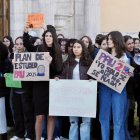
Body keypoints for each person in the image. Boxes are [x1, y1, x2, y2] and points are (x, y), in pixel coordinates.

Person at [23, 23, 63, 140]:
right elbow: (27, 45)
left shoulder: (57, 51)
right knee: (39, 116)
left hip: (52, 85)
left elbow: (59, 69)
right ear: (43, 37)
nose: (48, 38)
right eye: (46, 36)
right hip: (39, 86)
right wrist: (25, 32)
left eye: (50, 36)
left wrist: (50, 64)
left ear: (54, 37)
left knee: (51, 116)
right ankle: (38, 138)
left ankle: (49, 138)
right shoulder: (39, 48)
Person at [56, 40, 93, 140]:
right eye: (74, 47)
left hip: (86, 95)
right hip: (72, 96)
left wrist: (91, 80)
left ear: (83, 49)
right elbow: (63, 75)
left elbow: (94, 77)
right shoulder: (67, 63)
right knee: (73, 121)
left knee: (85, 121)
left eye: (78, 47)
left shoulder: (89, 62)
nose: (76, 49)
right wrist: (58, 78)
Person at [99, 31, 128, 140]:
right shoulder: (103, 54)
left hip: (118, 90)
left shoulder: (125, 56)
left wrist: (124, 66)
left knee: (118, 119)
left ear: (117, 40)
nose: (108, 41)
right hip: (104, 89)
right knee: (103, 118)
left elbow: (129, 74)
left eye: (111, 39)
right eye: (108, 39)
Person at [0, 41, 9, 140]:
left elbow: (5, 71)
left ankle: (3, 133)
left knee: (1, 112)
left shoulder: (2, 48)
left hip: (0, 87)